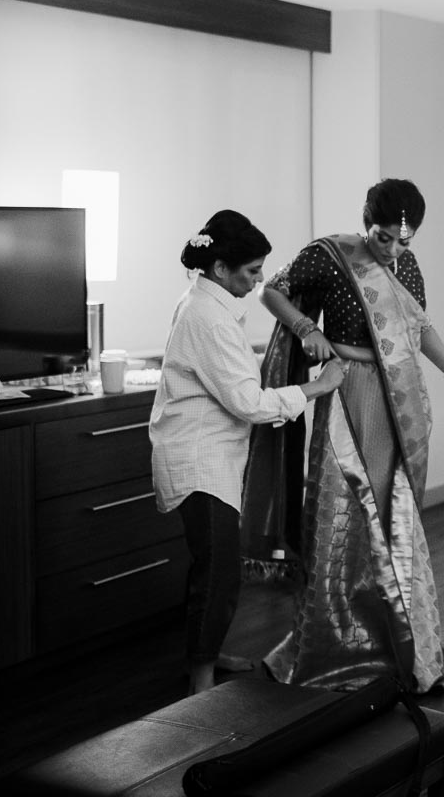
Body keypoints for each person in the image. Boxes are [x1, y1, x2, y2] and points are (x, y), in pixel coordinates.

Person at [247, 178, 444, 694]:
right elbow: (271, 290)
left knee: (396, 517)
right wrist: (309, 330)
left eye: (403, 241)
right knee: (342, 511)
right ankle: (335, 644)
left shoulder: (406, 267)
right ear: (364, 220)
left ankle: (399, 642)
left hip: (399, 396)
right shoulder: (330, 255)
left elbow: (419, 329)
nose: (392, 250)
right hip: (346, 391)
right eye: (383, 237)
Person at [150, 210, 346, 695]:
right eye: (253, 272)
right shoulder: (208, 318)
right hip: (201, 464)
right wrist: (317, 386)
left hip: (208, 457)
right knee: (215, 577)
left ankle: (209, 657)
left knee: (218, 571)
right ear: (221, 269)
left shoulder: (205, 302)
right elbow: (248, 402)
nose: (260, 282)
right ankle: (199, 688)